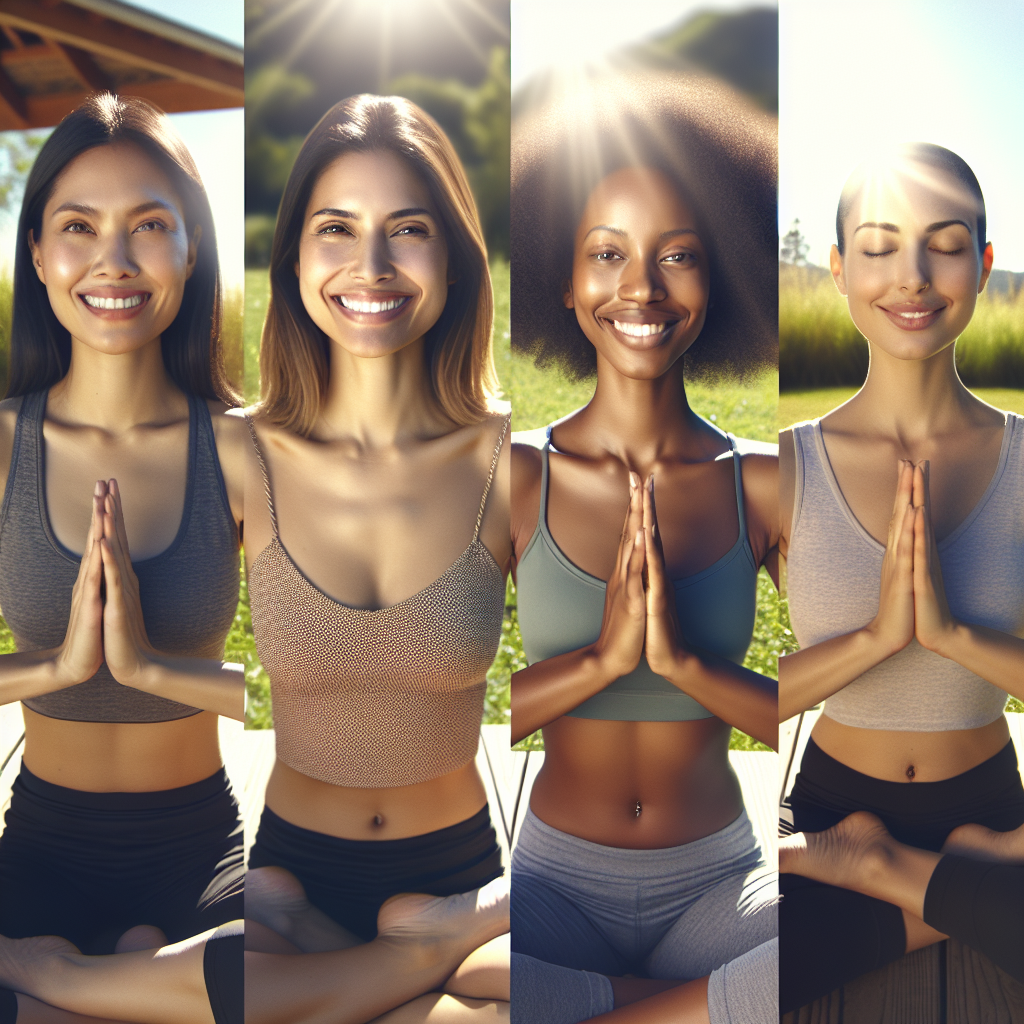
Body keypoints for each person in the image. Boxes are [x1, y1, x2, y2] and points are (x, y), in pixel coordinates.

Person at [508, 72, 779, 1024]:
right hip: (550, 881)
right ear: (563, 277)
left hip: (719, 883)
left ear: (721, 276)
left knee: (822, 942)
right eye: (607, 253)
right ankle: (683, 1009)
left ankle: (605, 1008)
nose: (641, 289)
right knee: (455, 965)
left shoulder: (763, 479)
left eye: (679, 255)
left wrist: (681, 668)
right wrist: (599, 662)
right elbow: (433, 708)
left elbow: (836, 705)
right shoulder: (515, 477)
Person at [242, 94, 511, 1021]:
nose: (372, 266)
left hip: (457, 878)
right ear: (295, 259)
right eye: (336, 230)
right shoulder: (241, 456)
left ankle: (397, 966)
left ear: (453, 260)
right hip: (287, 880)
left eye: (408, 230)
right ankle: (401, 973)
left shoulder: (512, 460)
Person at [0, 94, 246, 973]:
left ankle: (57, 982)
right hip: (38, 842)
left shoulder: (242, 449)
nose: (113, 259)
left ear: (190, 250)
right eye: (77, 225)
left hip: (197, 847)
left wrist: (151, 670)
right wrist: (56, 670)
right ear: (37, 252)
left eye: (148, 224)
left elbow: (328, 687)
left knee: (216, 978)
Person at [777, 143, 1024, 1013]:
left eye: (946, 243)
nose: (913, 275)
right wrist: (876, 640)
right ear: (838, 270)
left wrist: (955, 637)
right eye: (879, 246)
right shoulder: (784, 466)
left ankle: (898, 874)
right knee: (755, 966)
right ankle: (963, 901)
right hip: (834, 805)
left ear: (985, 266)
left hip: (993, 813)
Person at [780, 811, 1024, 985]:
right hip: (827, 806)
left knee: (780, 963)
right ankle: (970, 872)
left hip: (984, 806)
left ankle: (901, 871)